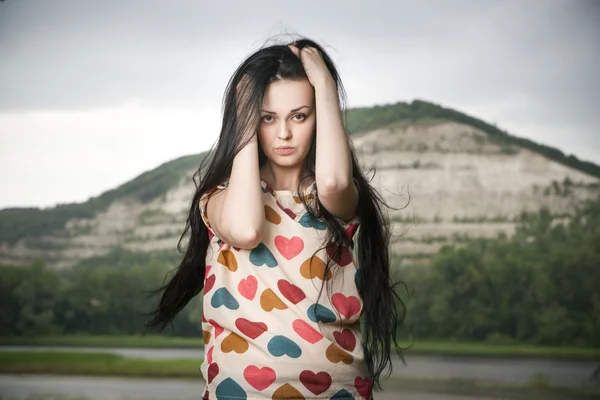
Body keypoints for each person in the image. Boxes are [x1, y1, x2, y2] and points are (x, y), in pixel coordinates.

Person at [145, 36, 406, 399]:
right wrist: (244, 116)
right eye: (267, 118)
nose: (283, 133)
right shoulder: (218, 200)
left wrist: (326, 85)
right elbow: (247, 229)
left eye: (299, 116)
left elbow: (332, 181)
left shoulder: (336, 200)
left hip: (337, 391)